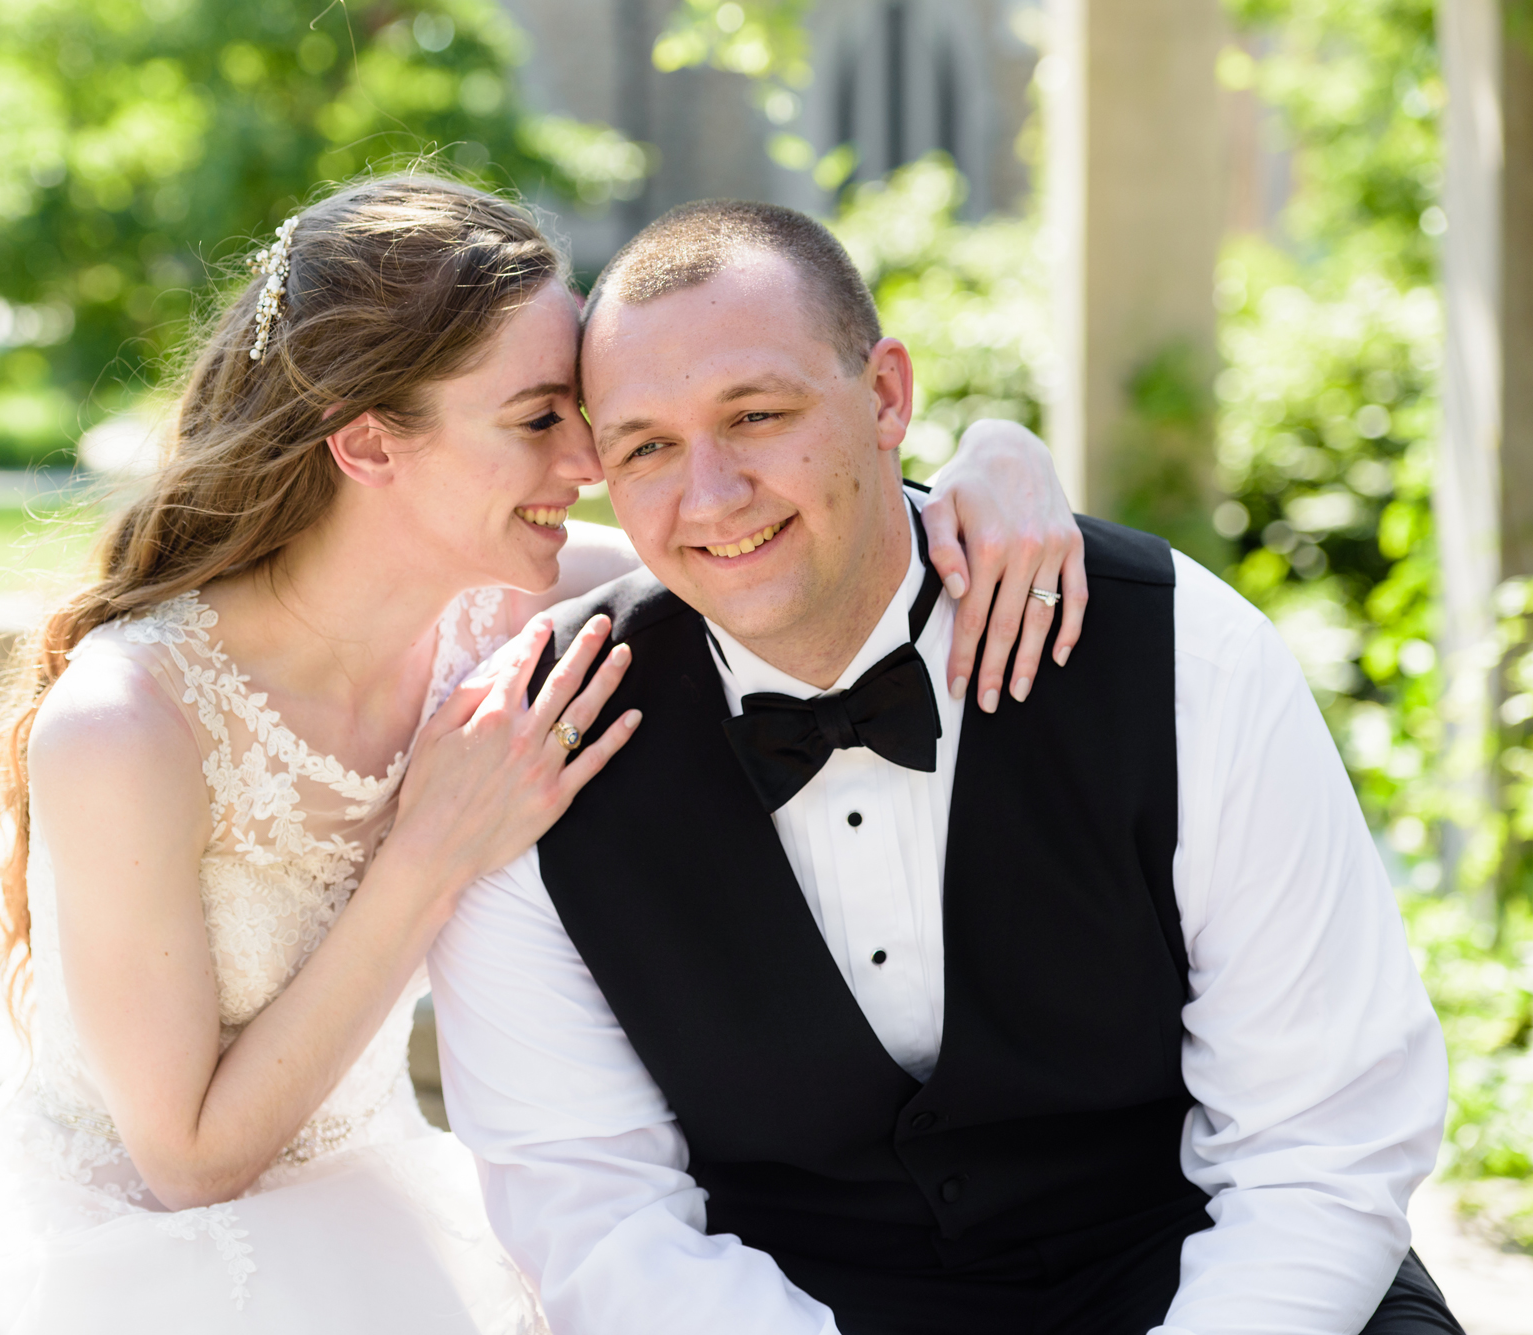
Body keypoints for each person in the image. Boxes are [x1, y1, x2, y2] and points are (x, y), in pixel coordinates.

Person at [0, 175, 1086, 1334]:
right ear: (367, 443)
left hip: (390, 1212)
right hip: (134, 1265)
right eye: (535, 419)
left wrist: (994, 464)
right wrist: (433, 845)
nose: (589, 463)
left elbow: (766, 548)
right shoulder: (129, 724)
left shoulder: (505, 601)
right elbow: (184, 1159)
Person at [427, 199, 1460, 1335]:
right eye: (647, 447)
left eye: (757, 415)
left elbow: (1317, 1144)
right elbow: (597, 1217)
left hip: (1219, 1285)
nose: (710, 495)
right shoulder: (536, 743)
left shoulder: (1181, 657)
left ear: (884, 397)